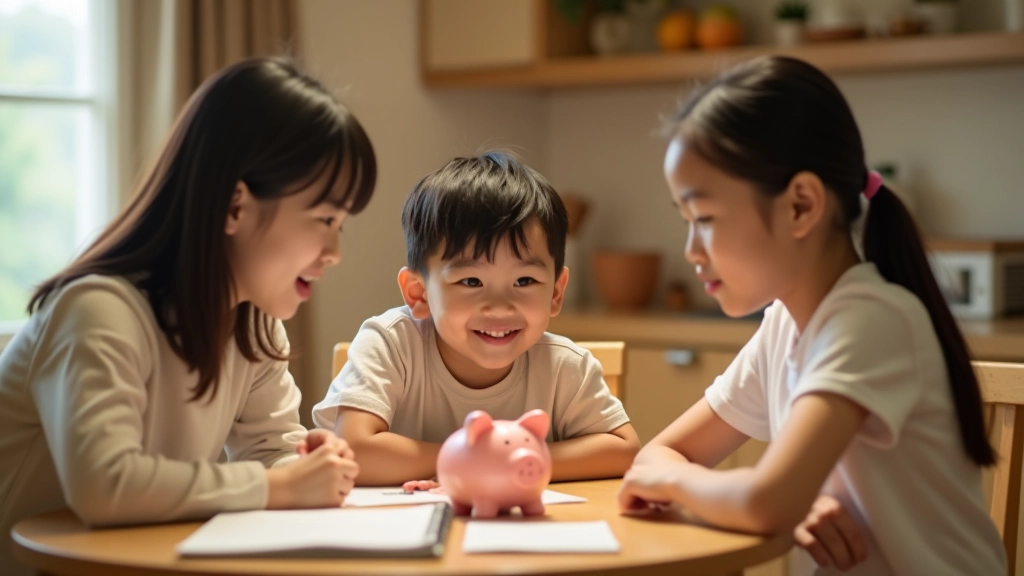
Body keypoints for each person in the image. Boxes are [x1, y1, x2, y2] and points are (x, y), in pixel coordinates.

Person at [617, 56, 1005, 575]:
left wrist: (764, 499)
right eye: (686, 220)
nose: (690, 250)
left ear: (801, 205)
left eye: (705, 218)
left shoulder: (872, 320)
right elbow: (656, 456)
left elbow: (758, 500)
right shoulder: (784, 325)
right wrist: (768, 500)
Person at [0, 57, 374, 575]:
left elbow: (269, 451)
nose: (334, 251)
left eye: (342, 224)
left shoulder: (254, 322)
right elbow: (105, 487)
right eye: (325, 218)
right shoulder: (98, 310)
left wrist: (307, 467)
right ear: (234, 206)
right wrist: (280, 486)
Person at [313, 151, 640, 487]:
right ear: (418, 293)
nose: (499, 307)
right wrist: (476, 462)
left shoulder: (564, 366)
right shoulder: (390, 343)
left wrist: (483, 467)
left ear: (556, 292)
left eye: (524, 281)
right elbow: (353, 451)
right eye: (471, 282)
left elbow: (622, 450)